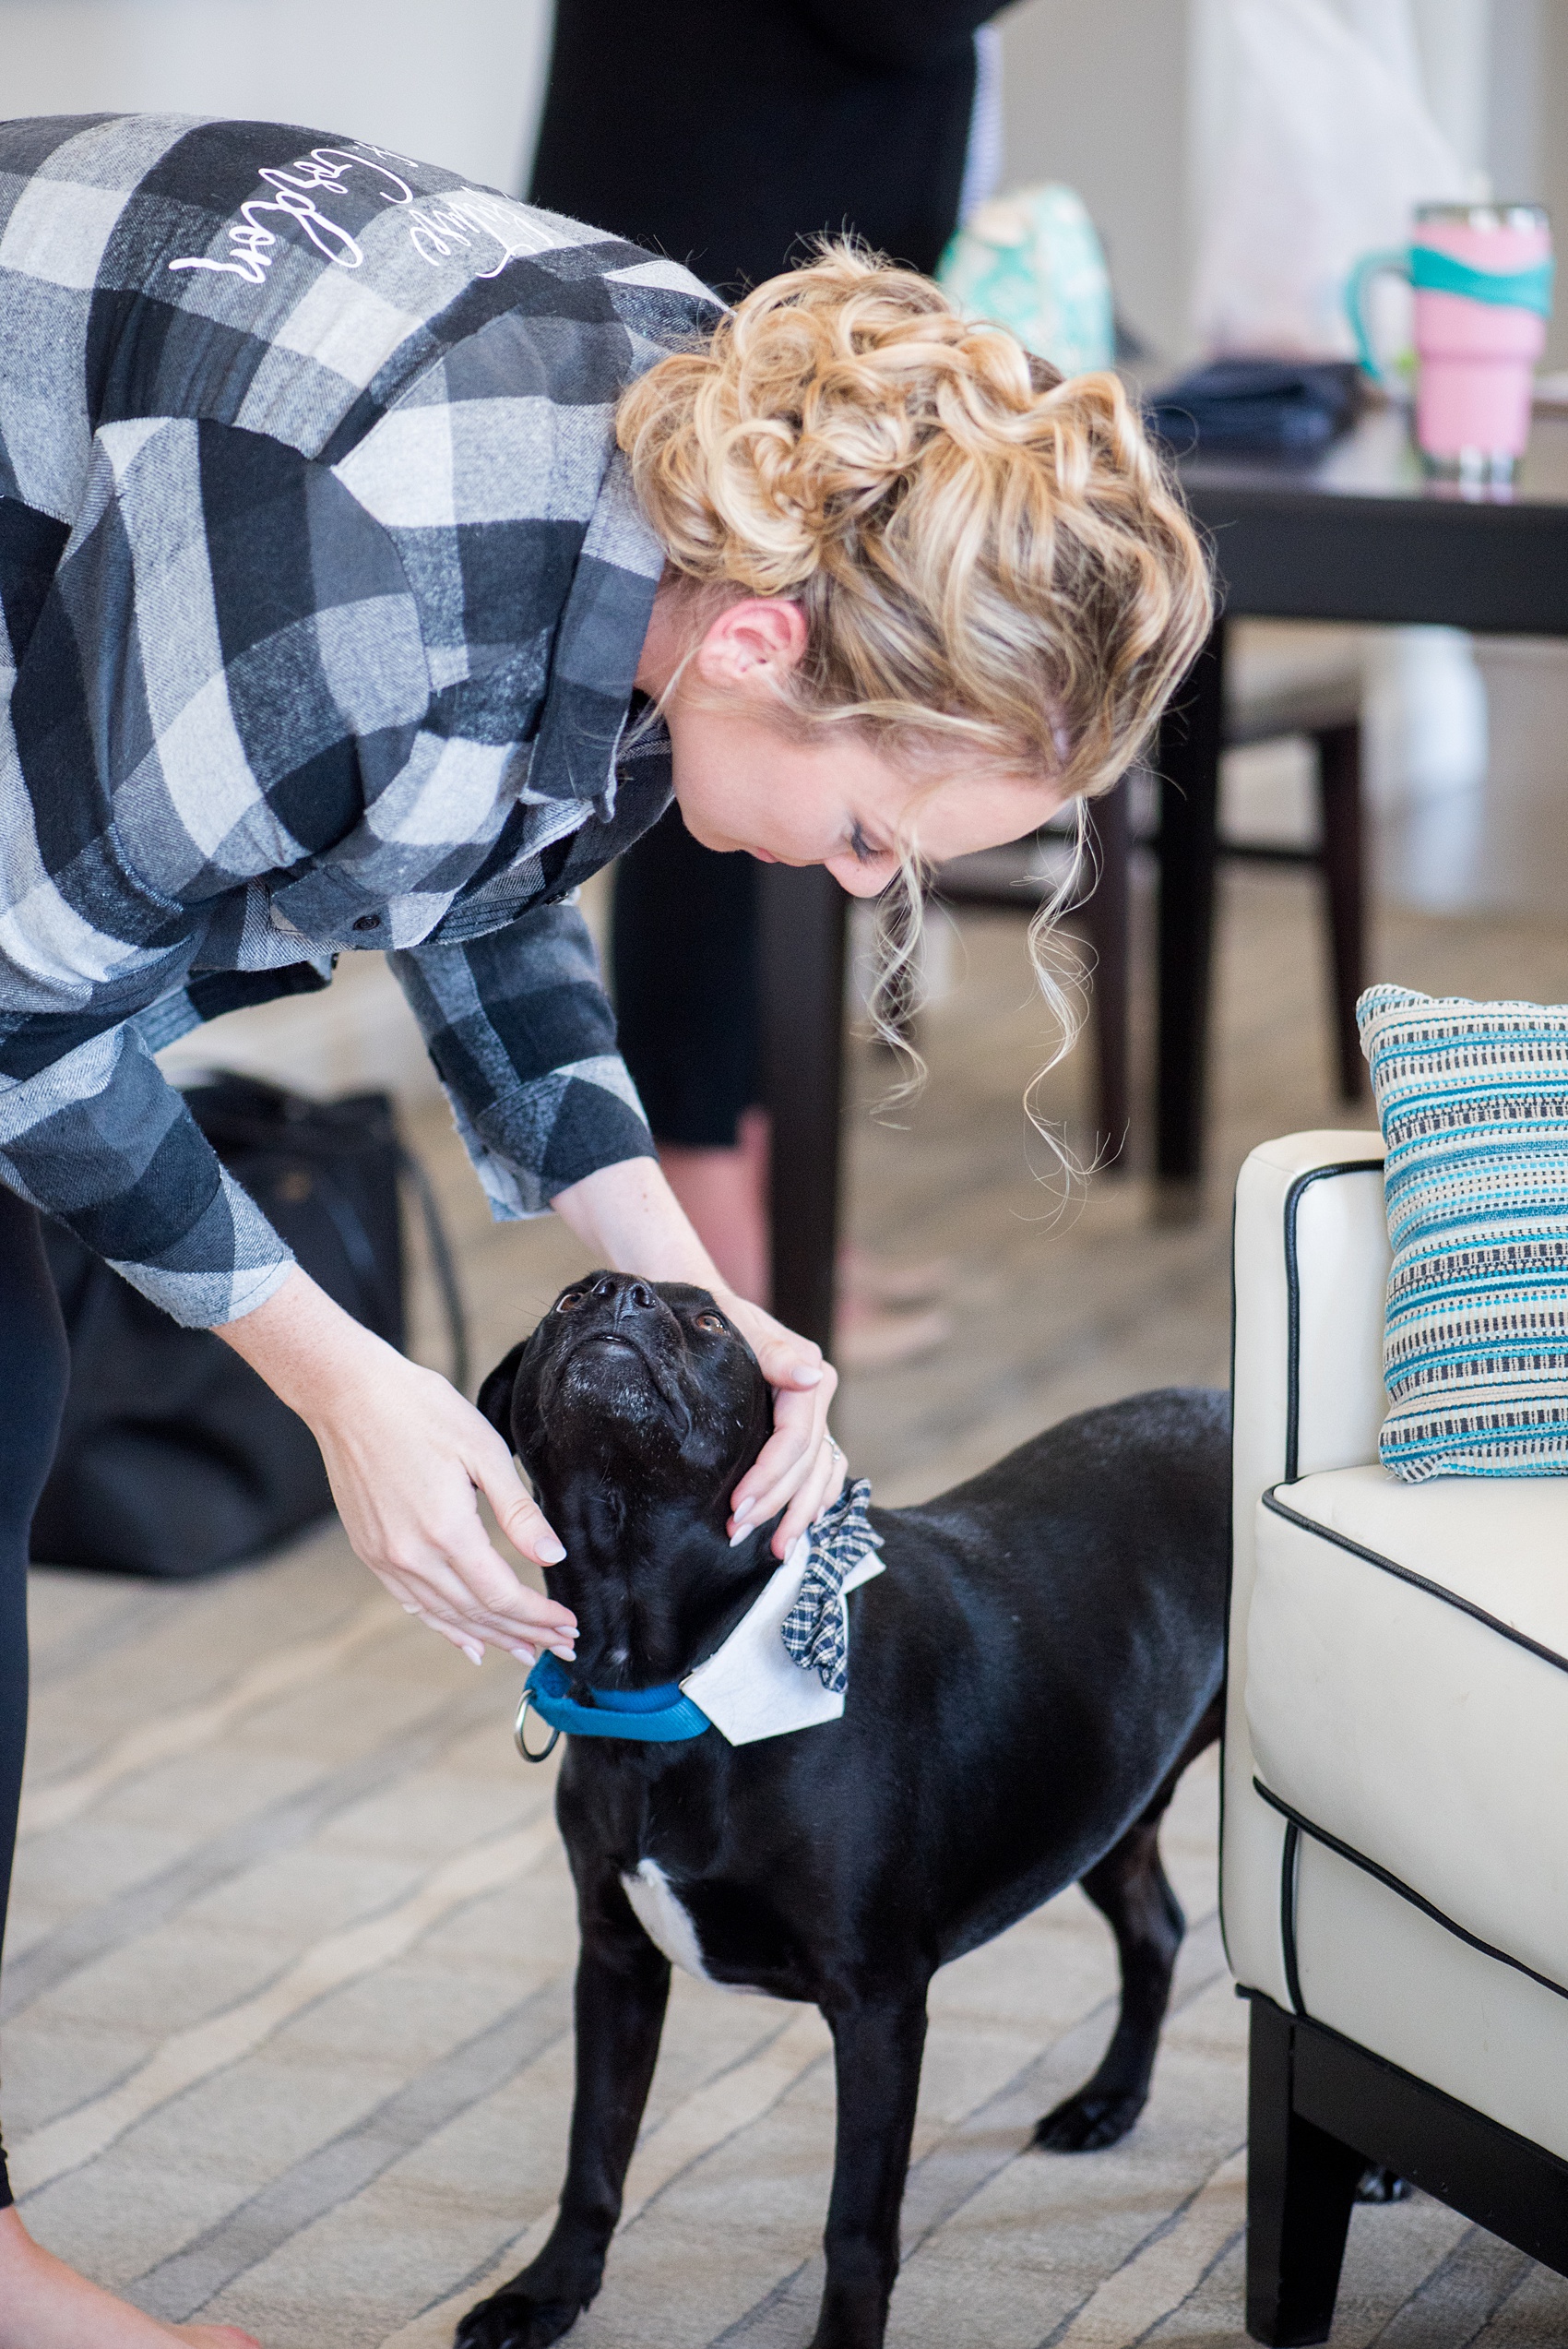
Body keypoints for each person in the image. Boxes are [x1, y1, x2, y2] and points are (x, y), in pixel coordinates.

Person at [0, 114, 1209, 2345]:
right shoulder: (367, 555)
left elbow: (472, 862)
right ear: (765, 640)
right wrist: (335, 1369)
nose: (863, 887)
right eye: (868, 829)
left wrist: (681, 1277)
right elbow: (19, 990)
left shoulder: (715, 476)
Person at [531, 0, 1005, 1341]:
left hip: (781, 210)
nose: (884, 872)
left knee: (768, 756)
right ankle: (708, 1206)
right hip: (725, 216)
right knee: (723, 733)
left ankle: (751, 1185)